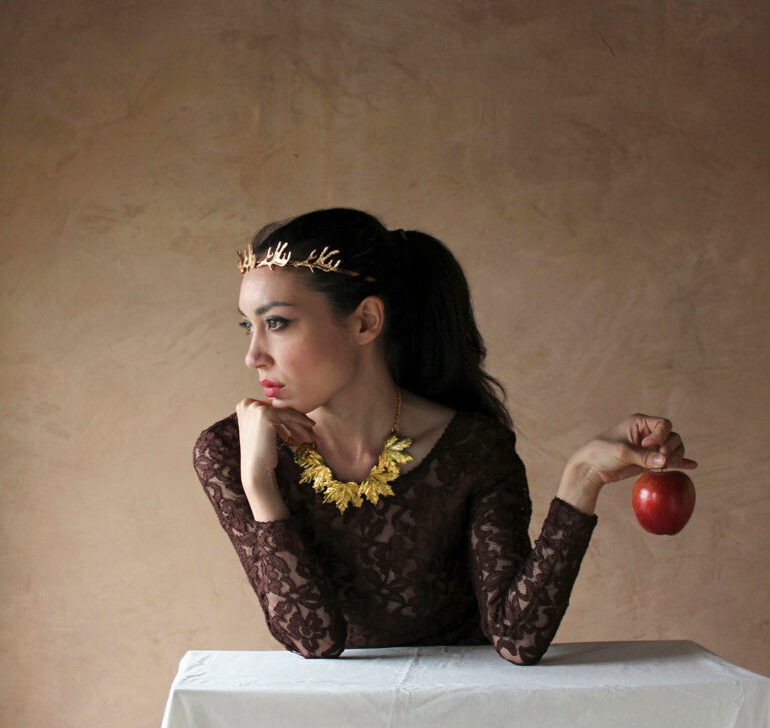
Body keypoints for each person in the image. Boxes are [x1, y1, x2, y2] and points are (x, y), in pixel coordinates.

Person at [193, 208, 697, 665]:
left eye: (277, 323)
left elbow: (517, 638)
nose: (253, 355)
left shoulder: (473, 448)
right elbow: (315, 640)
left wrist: (582, 478)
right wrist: (259, 483)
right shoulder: (230, 451)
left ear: (366, 321)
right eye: (248, 326)